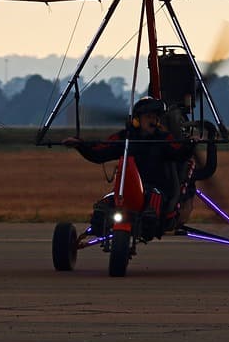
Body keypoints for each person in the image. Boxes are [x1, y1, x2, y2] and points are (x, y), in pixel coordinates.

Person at [63, 96, 194, 237]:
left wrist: (190, 145)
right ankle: (100, 226)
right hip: (127, 190)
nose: (153, 121)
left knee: (153, 202)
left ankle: (148, 225)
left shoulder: (163, 138)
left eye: (155, 118)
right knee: (104, 205)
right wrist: (80, 145)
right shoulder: (125, 137)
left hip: (156, 188)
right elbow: (99, 151)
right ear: (137, 120)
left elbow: (179, 152)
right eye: (148, 117)